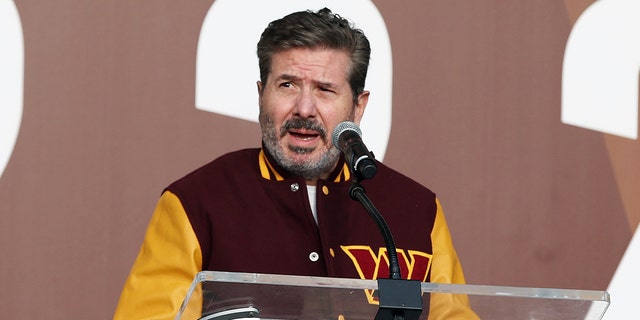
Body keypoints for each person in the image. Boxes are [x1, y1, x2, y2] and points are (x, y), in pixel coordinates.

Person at [114, 8, 477, 320]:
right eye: (287, 85)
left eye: (324, 89)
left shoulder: (415, 209)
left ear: (358, 107)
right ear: (261, 95)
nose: (304, 109)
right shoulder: (196, 203)